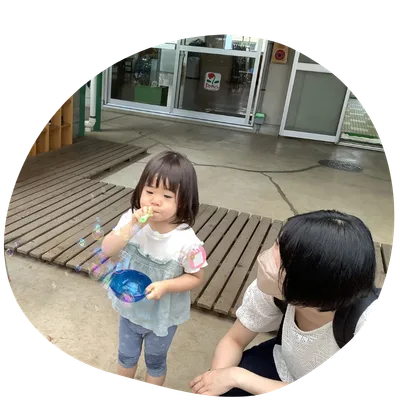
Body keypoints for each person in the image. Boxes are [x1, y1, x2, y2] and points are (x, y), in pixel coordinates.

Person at [190, 210, 379, 398]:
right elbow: (234, 340)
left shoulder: (366, 321)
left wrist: (238, 377)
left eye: (282, 255)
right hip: (284, 364)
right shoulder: (273, 289)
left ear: (311, 282)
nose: (265, 257)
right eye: (276, 244)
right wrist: (215, 382)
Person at [101, 150, 208, 388]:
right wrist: (132, 226)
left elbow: (196, 277)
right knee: (126, 355)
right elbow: (107, 249)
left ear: (184, 201)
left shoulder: (188, 243)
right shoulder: (131, 219)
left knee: (155, 361)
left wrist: (166, 285)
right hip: (131, 307)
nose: (154, 201)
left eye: (167, 196)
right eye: (149, 191)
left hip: (162, 316)